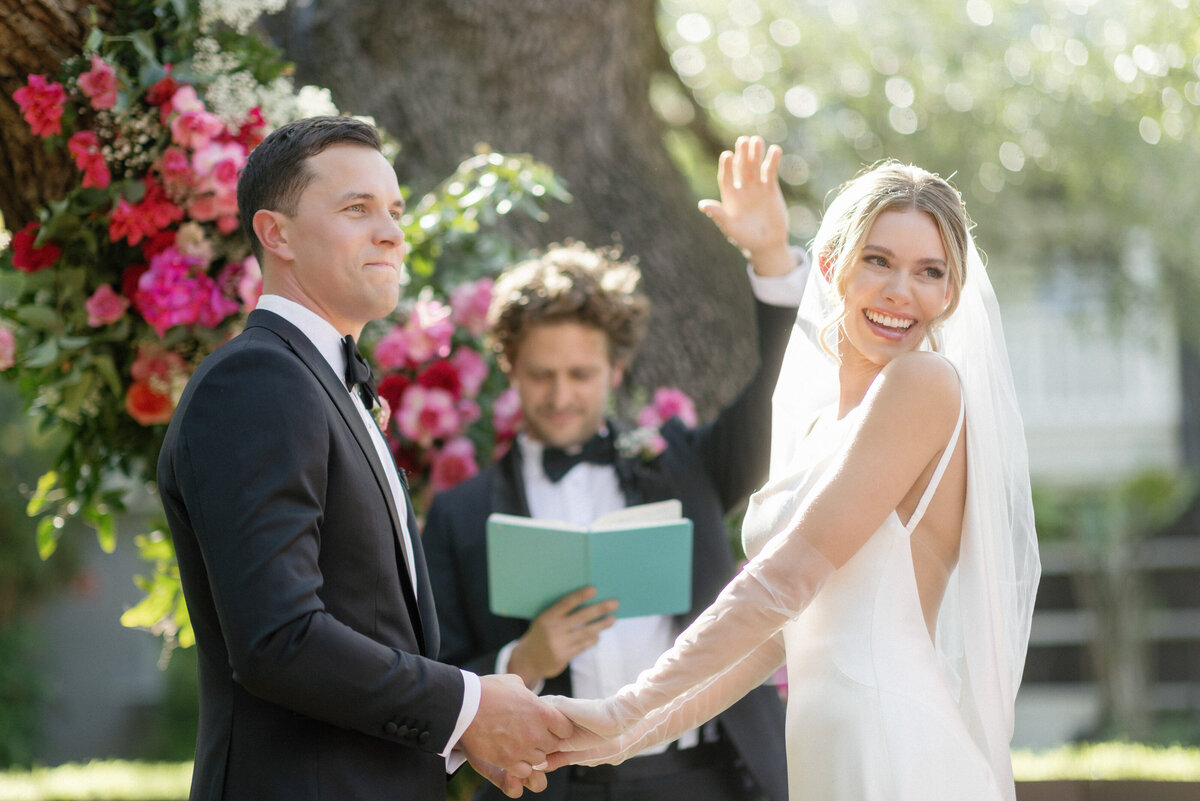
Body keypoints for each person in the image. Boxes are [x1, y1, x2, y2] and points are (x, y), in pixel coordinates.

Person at [544, 150, 1042, 801]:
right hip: (826, 747)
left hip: (890, 743)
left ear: (949, 294)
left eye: (929, 272)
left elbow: (788, 574)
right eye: (878, 259)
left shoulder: (925, 383)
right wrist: (623, 735)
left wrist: (625, 704)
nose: (901, 290)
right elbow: (773, 637)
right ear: (832, 266)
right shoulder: (817, 422)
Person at [157, 115, 573, 801]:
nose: (391, 232)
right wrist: (468, 706)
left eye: (394, 210)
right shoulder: (258, 380)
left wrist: (461, 734)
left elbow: (368, 627)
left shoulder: (325, 384)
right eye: (357, 209)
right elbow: (279, 638)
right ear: (276, 233)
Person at [422, 137, 807, 801]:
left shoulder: (687, 465)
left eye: (581, 374)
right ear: (510, 369)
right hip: (551, 787)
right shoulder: (461, 514)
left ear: (616, 371)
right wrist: (523, 662)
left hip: (707, 777)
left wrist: (771, 259)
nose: (562, 394)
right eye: (541, 374)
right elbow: (431, 677)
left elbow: (785, 390)